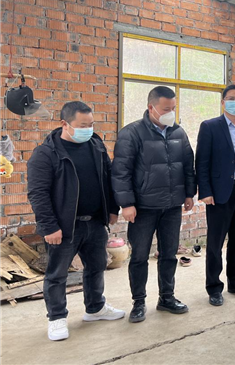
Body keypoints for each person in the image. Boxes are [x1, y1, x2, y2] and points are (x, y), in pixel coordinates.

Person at [28, 101, 125, 341]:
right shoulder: (46, 153)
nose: (88, 129)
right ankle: (57, 318)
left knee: (97, 266)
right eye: (82, 125)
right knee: (57, 274)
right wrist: (49, 226)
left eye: (91, 124)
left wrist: (112, 209)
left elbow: (108, 178)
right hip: (64, 226)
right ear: (65, 124)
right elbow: (38, 193)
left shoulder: (96, 146)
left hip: (95, 222)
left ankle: (95, 308)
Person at [112, 86, 195, 323]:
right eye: (166, 109)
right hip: (143, 208)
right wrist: (127, 204)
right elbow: (121, 172)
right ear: (151, 108)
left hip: (171, 206)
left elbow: (188, 165)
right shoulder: (131, 133)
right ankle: (139, 302)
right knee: (139, 257)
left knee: (169, 255)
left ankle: (166, 298)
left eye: (173, 108)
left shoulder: (178, 132)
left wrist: (189, 193)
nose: (171, 113)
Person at [196, 84, 235, 307]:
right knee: (215, 243)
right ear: (223, 102)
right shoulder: (210, 127)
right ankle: (214, 287)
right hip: (220, 193)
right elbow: (201, 162)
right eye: (231, 98)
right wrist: (205, 191)